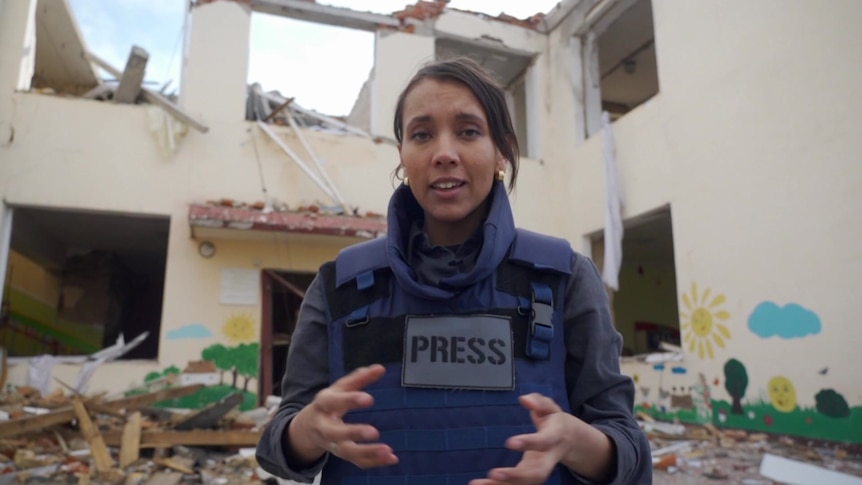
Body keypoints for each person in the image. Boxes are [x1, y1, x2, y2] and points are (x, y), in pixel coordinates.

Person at [257, 57, 651, 484]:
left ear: (502, 150)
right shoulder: (338, 285)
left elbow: (628, 449)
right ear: (402, 156)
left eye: (468, 131)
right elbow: (276, 446)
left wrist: (579, 444)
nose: (444, 154)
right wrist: (307, 431)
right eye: (422, 134)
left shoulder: (564, 279)